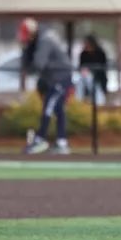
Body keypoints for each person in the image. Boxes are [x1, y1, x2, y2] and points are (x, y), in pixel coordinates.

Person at [19, 18, 75, 155]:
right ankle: (62, 142)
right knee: (58, 109)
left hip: (60, 78)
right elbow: (28, 65)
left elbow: (38, 64)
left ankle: (41, 139)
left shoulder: (44, 41)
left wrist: (27, 53)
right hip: (52, 79)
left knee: (49, 107)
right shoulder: (37, 41)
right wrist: (26, 49)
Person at [77, 34, 109, 105]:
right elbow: (81, 66)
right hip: (85, 77)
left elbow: (103, 67)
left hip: (98, 78)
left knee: (96, 90)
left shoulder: (100, 53)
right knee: (80, 81)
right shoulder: (83, 54)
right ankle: (78, 101)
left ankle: (99, 103)